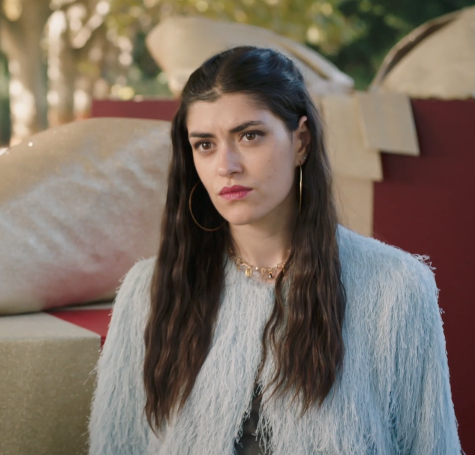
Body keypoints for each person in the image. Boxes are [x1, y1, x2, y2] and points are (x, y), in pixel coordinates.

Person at [89, 47, 461, 454]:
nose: (226, 165)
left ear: (301, 141)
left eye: (249, 136)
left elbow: (432, 445)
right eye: (205, 144)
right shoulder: (149, 290)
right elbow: (115, 446)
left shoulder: (396, 287)